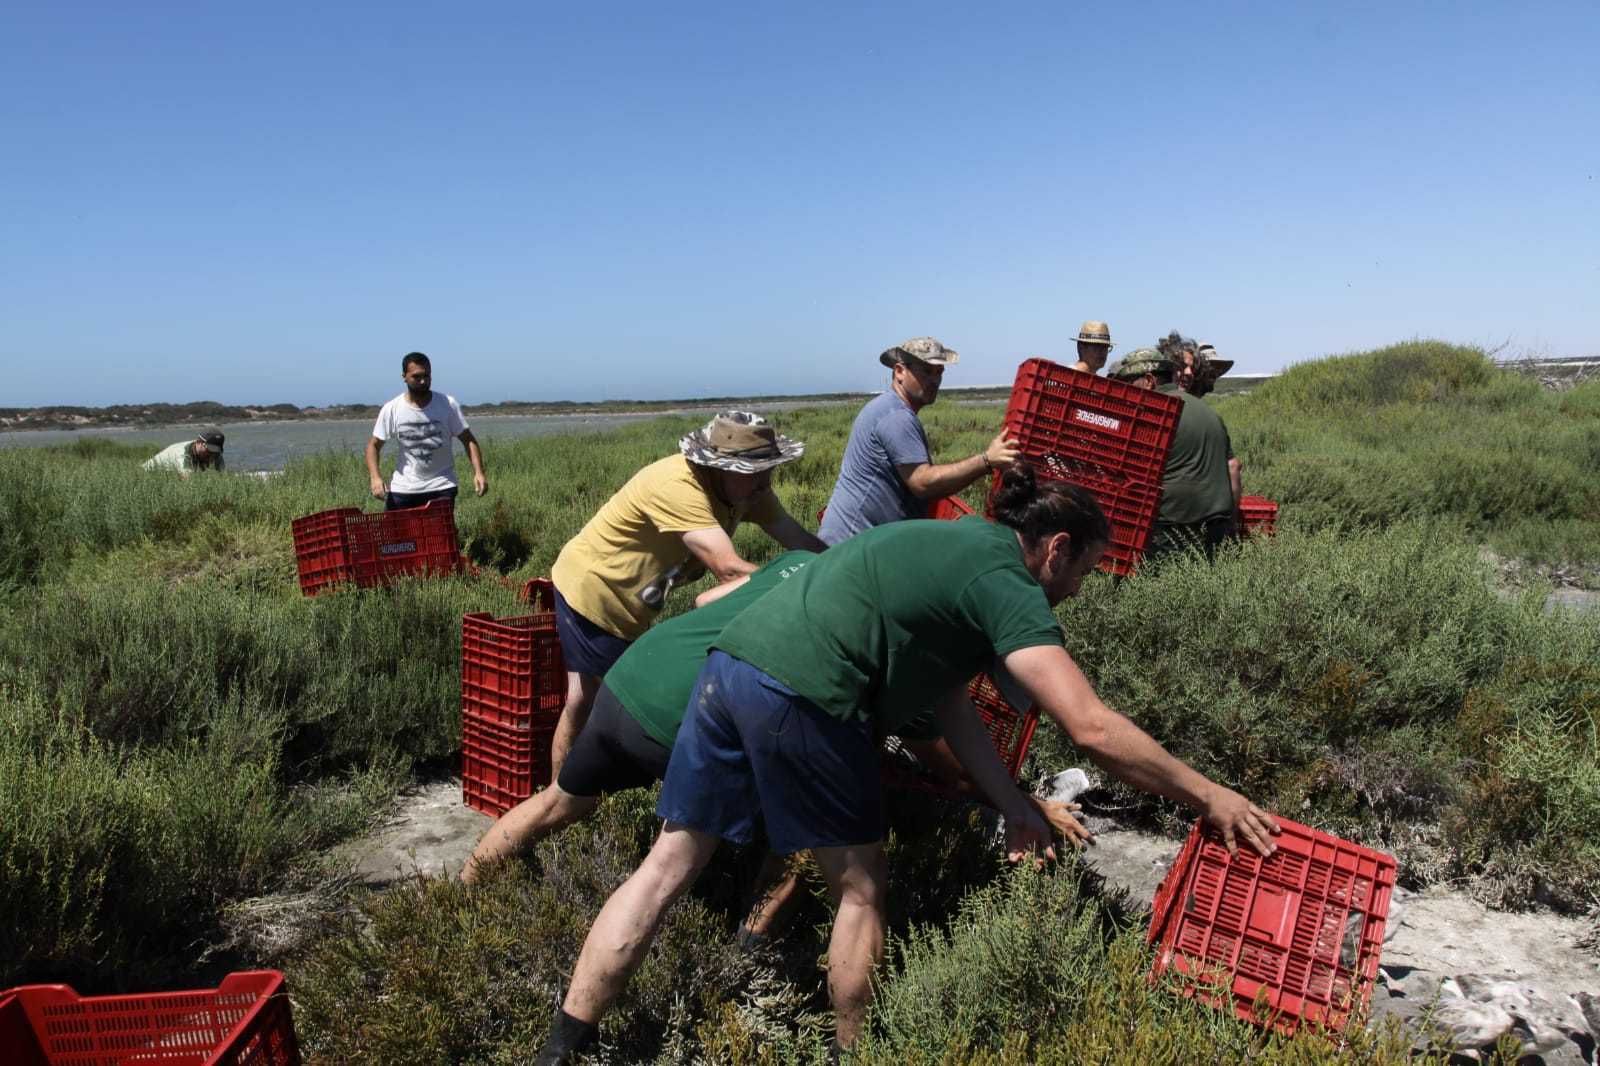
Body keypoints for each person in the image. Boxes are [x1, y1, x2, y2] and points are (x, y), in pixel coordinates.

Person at [533, 465, 1278, 1064]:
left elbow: (951, 706)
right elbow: (1089, 727)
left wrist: (1013, 804)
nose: (1080, 588)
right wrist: (1209, 795)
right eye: (1085, 568)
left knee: (667, 867)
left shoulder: (953, 548)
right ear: (1055, 549)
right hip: (806, 690)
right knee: (861, 890)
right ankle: (856, 1050)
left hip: (730, 667)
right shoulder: (1008, 583)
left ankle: (565, 1044)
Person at [545, 410, 826, 775]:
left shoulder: (748, 489)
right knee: (613, 707)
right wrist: (803, 586)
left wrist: (839, 568)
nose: (765, 482)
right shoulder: (679, 485)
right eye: (755, 473)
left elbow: (796, 537)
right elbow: (728, 569)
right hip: (595, 589)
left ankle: (566, 795)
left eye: (769, 469)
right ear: (720, 467)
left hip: (633, 605)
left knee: (585, 700)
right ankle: (571, 798)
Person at [818, 337, 1018, 544]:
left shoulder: (889, 408)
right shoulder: (896, 416)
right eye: (925, 371)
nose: (934, 380)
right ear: (899, 372)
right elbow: (922, 483)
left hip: (860, 545)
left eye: (939, 372)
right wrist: (986, 461)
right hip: (850, 549)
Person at [1109, 348, 1241, 561]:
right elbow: (1234, 467)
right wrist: (1231, 522)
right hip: (1217, 523)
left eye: (1129, 383)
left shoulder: (1153, 413)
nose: (1127, 391)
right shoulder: (1208, 412)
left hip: (1172, 528)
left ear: (1149, 380)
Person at [365, 351, 488, 510]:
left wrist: (479, 472)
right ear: (404, 376)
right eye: (416, 377)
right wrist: (375, 478)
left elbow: (468, 439)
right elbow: (373, 445)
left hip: (441, 486)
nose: (423, 381)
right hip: (404, 489)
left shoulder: (447, 404)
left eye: (427, 376)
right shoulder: (392, 408)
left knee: (440, 535)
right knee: (396, 534)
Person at [142, 429, 225, 475]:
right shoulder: (183, 454)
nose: (211, 455)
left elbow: (223, 475)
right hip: (148, 473)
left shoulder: (215, 453)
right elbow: (187, 482)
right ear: (199, 443)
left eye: (215, 451)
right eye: (209, 450)